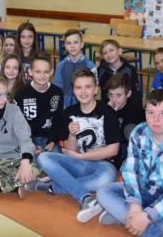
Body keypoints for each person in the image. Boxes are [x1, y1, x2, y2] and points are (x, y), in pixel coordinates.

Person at [96, 89, 163, 237]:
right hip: (145, 189)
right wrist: (135, 206)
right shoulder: (139, 132)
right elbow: (131, 172)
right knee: (103, 192)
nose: (155, 119)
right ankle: (142, 223)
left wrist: (148, 216)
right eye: (150, 112)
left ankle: (124, 217)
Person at [29, 69, 120, 223]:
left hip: (102, 166)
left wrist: (82, 156)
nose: (83, 91)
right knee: (43, 157)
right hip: (77, 164)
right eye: (78, 87)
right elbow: (70, 150)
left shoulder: (107, 112)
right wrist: (72, 134)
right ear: (74, 90)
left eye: (88, 87)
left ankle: (52, 185)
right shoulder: (69, 112)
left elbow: (113, 150)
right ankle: (85, 198)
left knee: (105, 180)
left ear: (95, 89)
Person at [15, 52, 64, 154]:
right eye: (38, 72)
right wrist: (32, 143)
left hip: (50, 138)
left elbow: (58, 121)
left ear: (51, 72)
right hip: (28, 138)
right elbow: (20, 123)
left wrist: (52, 141)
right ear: (30, 72)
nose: (42, 76)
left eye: (46, 72)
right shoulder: (21, 93)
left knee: (53, 160)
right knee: (30, 160)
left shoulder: (57, 93)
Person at [104, 74, 144, 164]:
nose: (114, 99)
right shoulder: (106, 107)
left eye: (118, 95)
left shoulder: (135, 111)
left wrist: (112, 115)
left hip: (126, 147)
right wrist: (108, 113)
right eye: (111, 95)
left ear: (128, 94)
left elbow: (120, 137)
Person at [54, 29, 97, 108]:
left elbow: (94, 87)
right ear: (65, 46)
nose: (72, 46)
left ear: (82, 44)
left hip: (84, 105)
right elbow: (57, 88)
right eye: (69, 43)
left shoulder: (90, 66)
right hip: (65, 105)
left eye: (75, 42)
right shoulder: (61, 66)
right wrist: (61, 104)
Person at [97, 39, 141, 107]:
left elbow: (136, 93)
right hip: (107, 107)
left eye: (111, 50)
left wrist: (138, 111)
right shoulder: (101, 70)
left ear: (119, 51)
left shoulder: (130, 70)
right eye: (105, 53)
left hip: (127, 108)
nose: (109, 54)